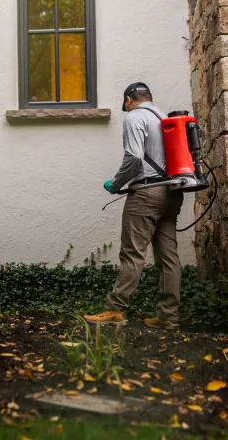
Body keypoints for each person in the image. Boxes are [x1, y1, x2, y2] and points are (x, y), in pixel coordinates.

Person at [84, 82, 184, 329]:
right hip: (172, 193)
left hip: (146, 194)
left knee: (132, 253)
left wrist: (117, 183)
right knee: (168, 257)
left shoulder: (134, 117)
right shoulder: (163, 116)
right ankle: (168, 316)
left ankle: (115, 310)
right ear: (148, 97)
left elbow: (133, 157)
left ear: (129, 100)